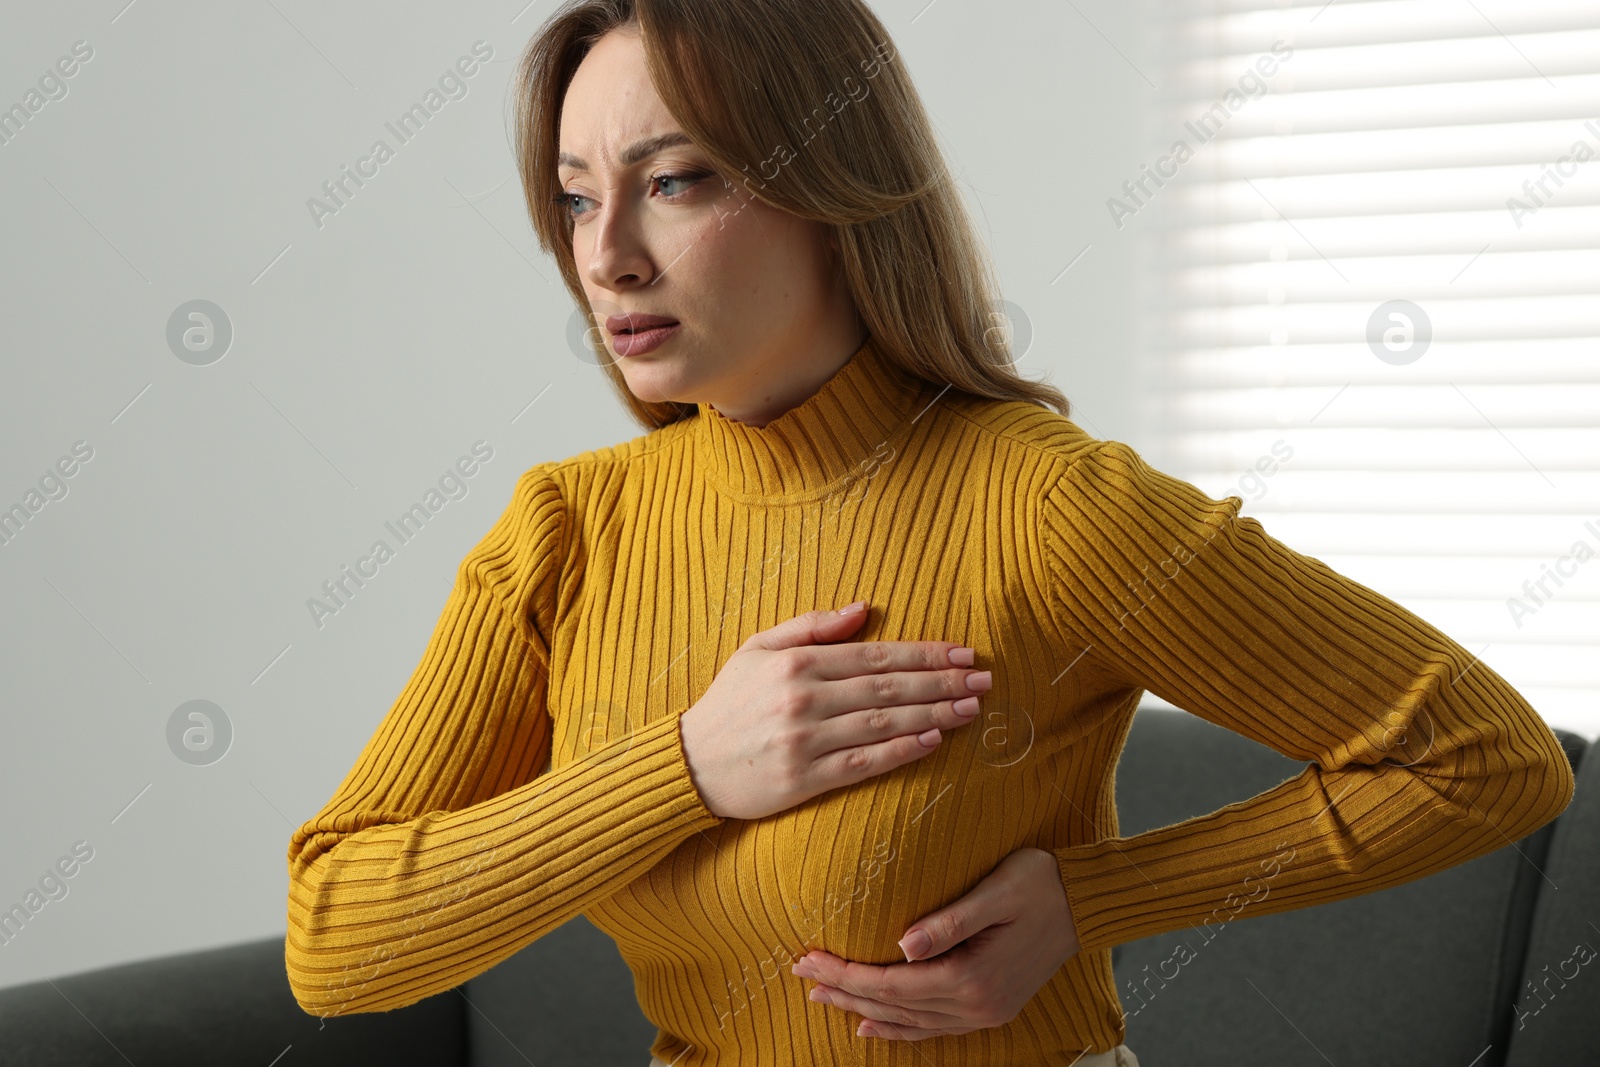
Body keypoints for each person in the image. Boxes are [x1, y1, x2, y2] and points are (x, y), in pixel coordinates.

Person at [282, 2, 1575, 1064]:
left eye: (673, 181)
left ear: (835, 190)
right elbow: (335, 938)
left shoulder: (1045, 507)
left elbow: (1485, 761)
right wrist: (684, 769)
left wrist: (1090, 902)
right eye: (573, 200)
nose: (606, 255)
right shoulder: (570, 532)